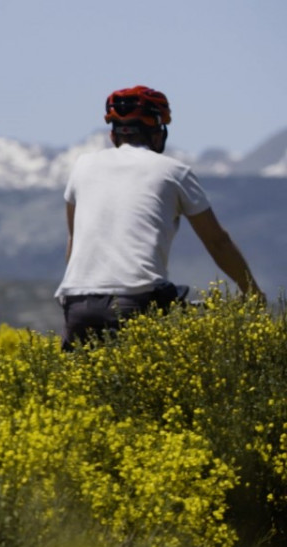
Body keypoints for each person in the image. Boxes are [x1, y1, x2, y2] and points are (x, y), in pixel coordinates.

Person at [54, 85, 262, 350]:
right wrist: (252, 292)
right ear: (158, 133)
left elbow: (73, 242)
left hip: (76, 302)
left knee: (83, 387)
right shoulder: (174, 172)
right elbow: (217, 242)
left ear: (113, 134)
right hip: (134, 301)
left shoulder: (82, 166)